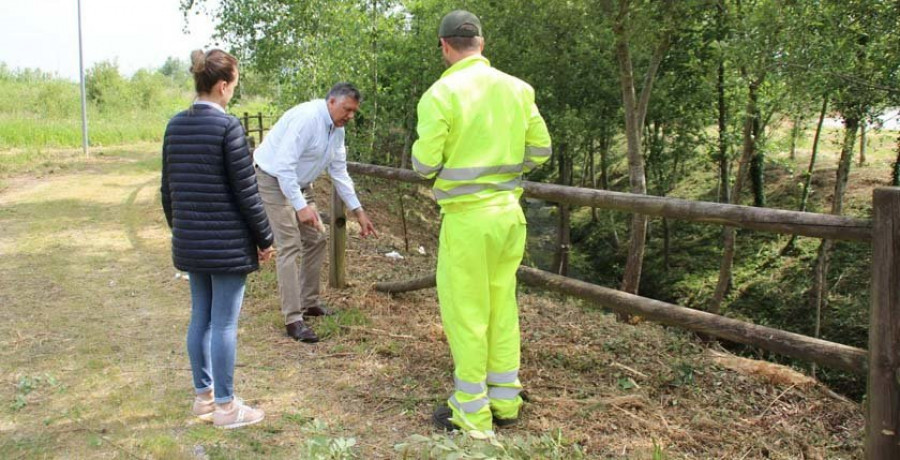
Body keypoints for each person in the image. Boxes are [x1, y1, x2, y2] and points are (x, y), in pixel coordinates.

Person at [411, 10, 552, 435]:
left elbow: (423, 164)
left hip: (468, 221)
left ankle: (471, 413)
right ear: (482, 44)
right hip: (509, 217)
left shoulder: (440, 95)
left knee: (467, 312)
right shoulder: (518, 90)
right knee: (501, 306)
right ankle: (505, 400)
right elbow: (541, 150)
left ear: (444, 46)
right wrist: (505, 174)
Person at [161, 49, 275, 429]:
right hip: (227, 247)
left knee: (201, 318)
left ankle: (204, 397)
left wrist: (182, 232)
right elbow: (247, 193)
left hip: (191, 242)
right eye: (234, 86)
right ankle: (227, 408)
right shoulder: (228, 129)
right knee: (224, 323)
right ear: (223, 85)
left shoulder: (174, 126)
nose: (233, 94)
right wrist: (265, 237)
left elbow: (167, 191)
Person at [253, 83, 377, 343]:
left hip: (298, 182)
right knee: (289, 245)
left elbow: (339, 171)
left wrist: (358, 210)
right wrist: (300, 207)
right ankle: (293, 319)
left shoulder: (337, 130)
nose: (350, 116)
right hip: (272, 178)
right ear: (331, 101)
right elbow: (283, 167)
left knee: (316, 239)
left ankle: (309, 303)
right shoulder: (307, 119)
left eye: (354, 112)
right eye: (347, 109)